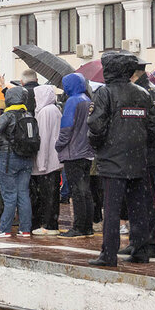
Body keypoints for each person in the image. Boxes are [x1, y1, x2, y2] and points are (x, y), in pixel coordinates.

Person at [87, 52, 155, 266]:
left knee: (111, 210)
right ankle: (140, 250)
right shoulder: (143, 93)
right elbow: (154, 127)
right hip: (138, 159)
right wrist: (138, 144)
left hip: (112, 161)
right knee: (138, 207)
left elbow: (96, 125)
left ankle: (109, 254)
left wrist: (99, 144)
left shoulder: (105, 93)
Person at [0, 86, 35, 238]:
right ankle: (25, 228)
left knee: (9, 195)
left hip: (8, 158)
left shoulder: (7, 115)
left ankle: (4, 229)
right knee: (23, 194)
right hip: (27, 158)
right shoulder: (28, 114)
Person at [55, 73, 95, 237]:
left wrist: (58, 145)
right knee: (86, 191)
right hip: (86, 151)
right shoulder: (87, 100)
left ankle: (79, 227)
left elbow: (66, 128)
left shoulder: (72, 101)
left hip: (73, 153)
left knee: (77, 191)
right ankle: (88, 226)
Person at [135, 68, 155, 248]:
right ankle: (141, 238)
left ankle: (152, 238)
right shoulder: (143, 89)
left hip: (147, 153)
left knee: (148, 199)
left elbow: (154, 125)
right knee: (141, 199)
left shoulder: (148, 91)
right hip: (142, 152)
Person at [30, 84, 62, 234]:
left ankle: (47, 225)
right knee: (53, 194)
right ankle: (52, 223)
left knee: (46, 195)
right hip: (55, 160)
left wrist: (40, 163)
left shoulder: (44, 112)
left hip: (47, 162)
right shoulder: (55, 110)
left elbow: (43, 139)